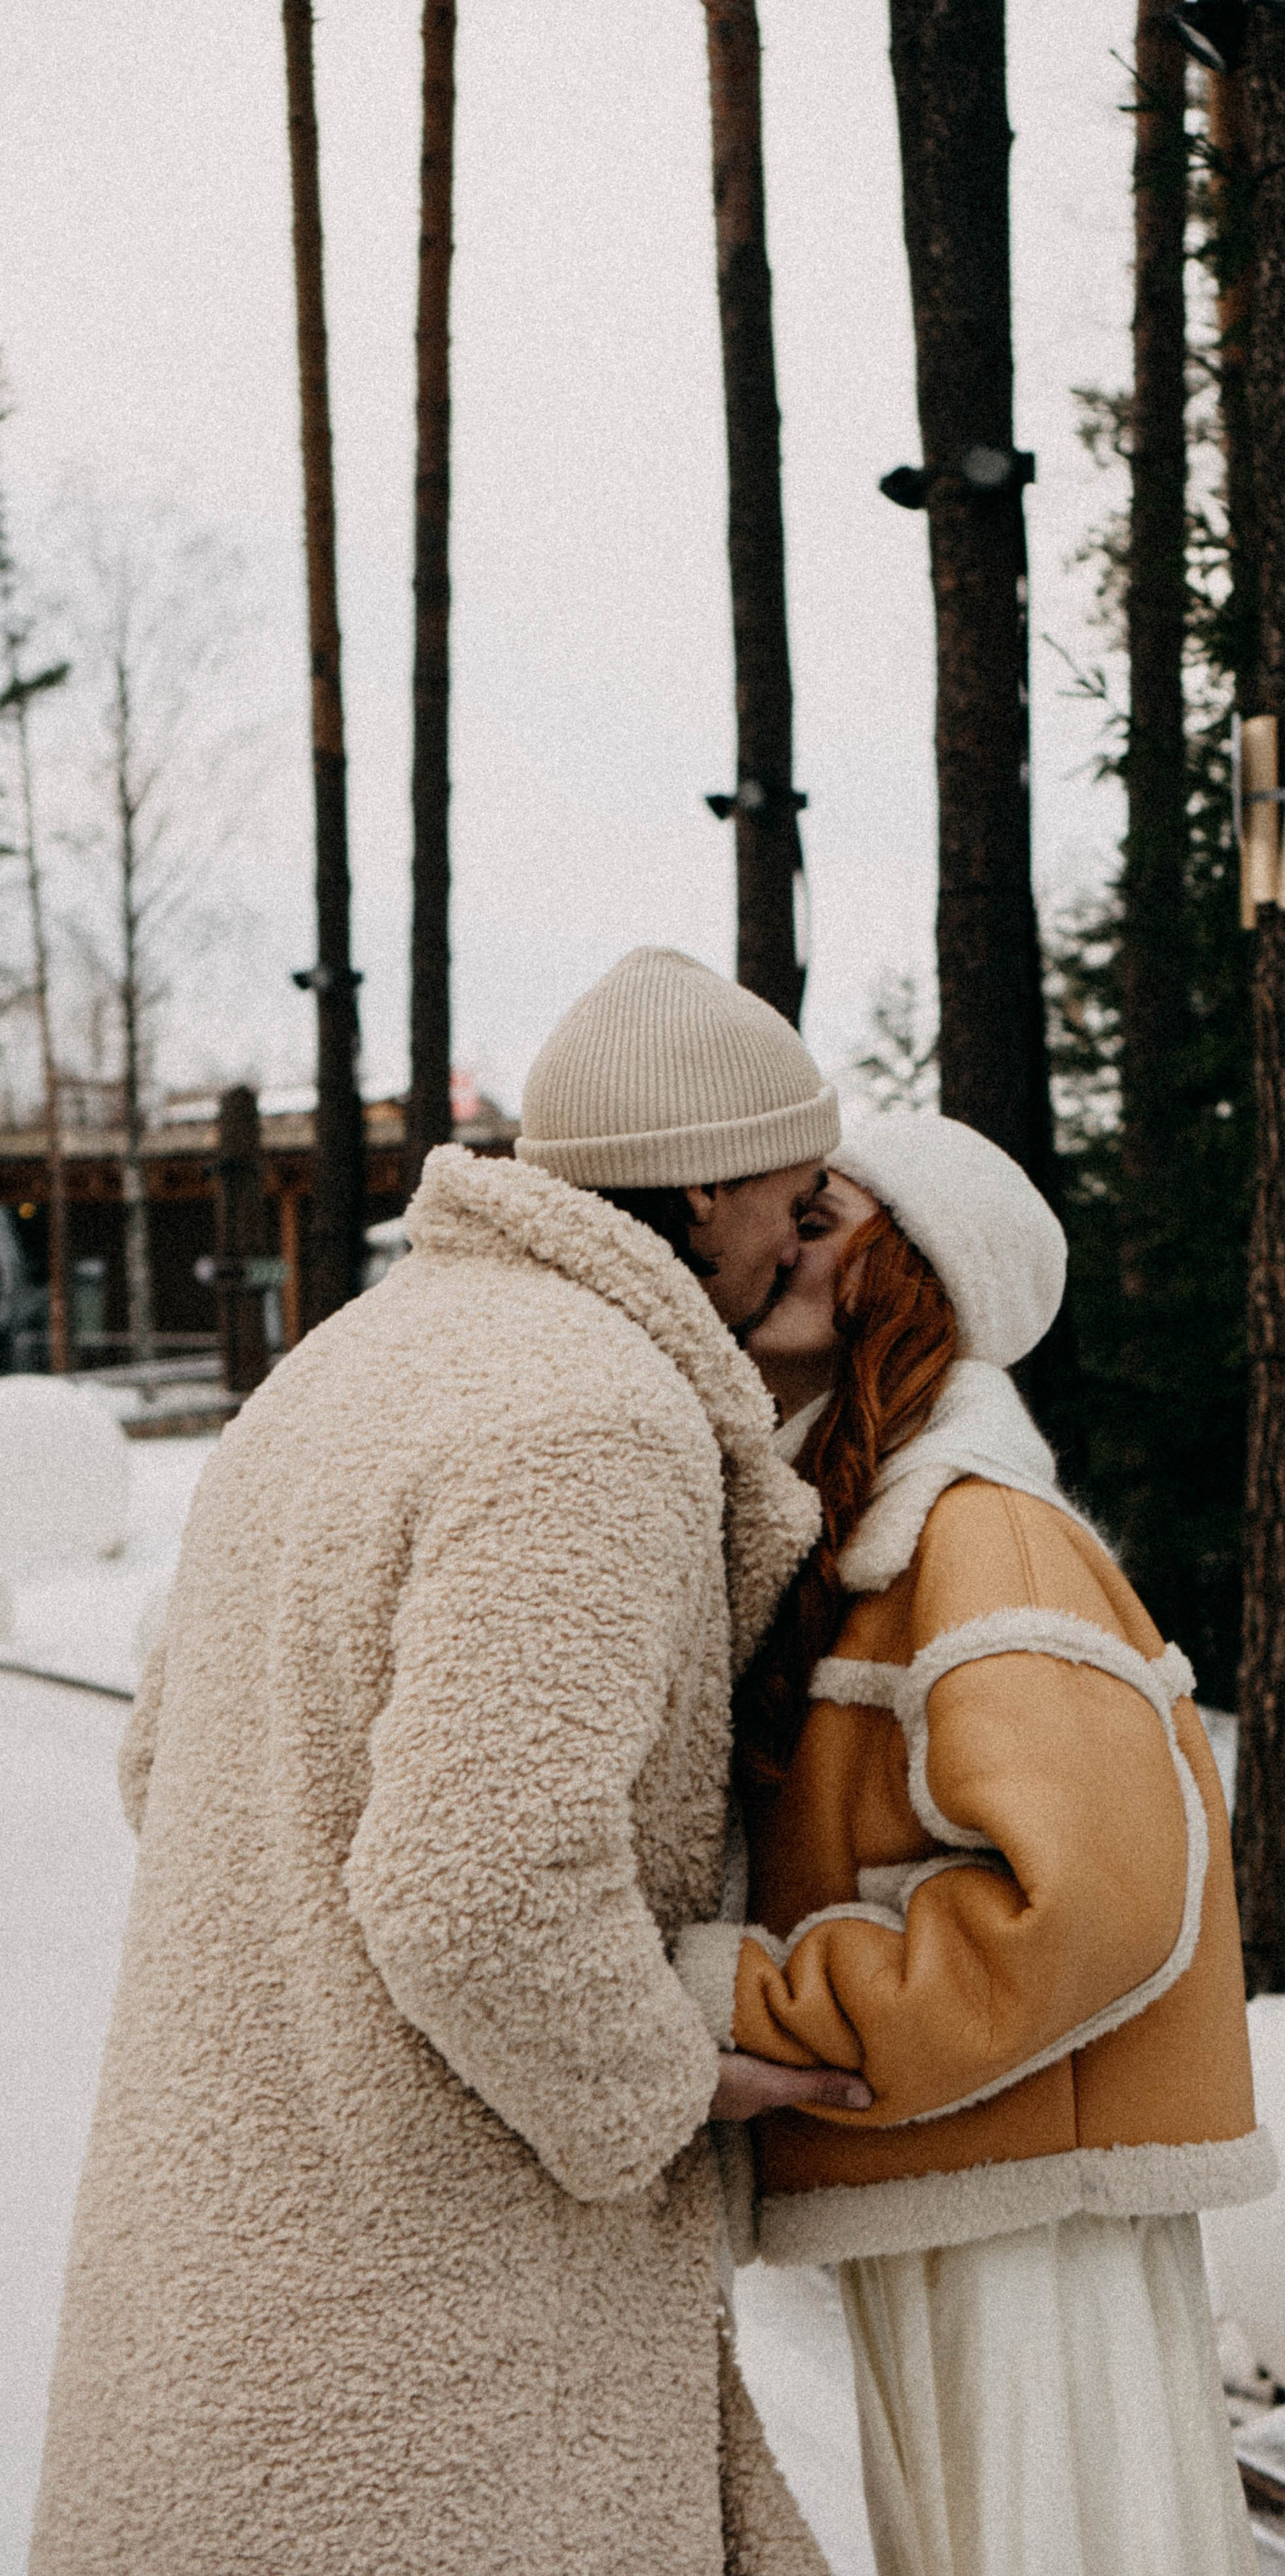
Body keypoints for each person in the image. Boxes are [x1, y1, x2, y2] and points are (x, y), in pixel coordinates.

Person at [30, 947, 867, 2576]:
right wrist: (666, 2072)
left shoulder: (347, 1365)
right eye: (791, 1192)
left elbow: (160, 1763)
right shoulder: (593, 1416)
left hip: (225, 2280)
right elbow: (476, 1882)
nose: (804, 1231)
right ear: (697, 1199)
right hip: (423, 2356)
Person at [674, 1113, 1275, 2576]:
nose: (761, 1249)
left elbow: (1087, 1904)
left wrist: (741, 1997)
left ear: (913, 1279)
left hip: (1028, 2211)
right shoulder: (861, 1526)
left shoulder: (977, 1531)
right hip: (967, 2173)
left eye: (816, 1222)